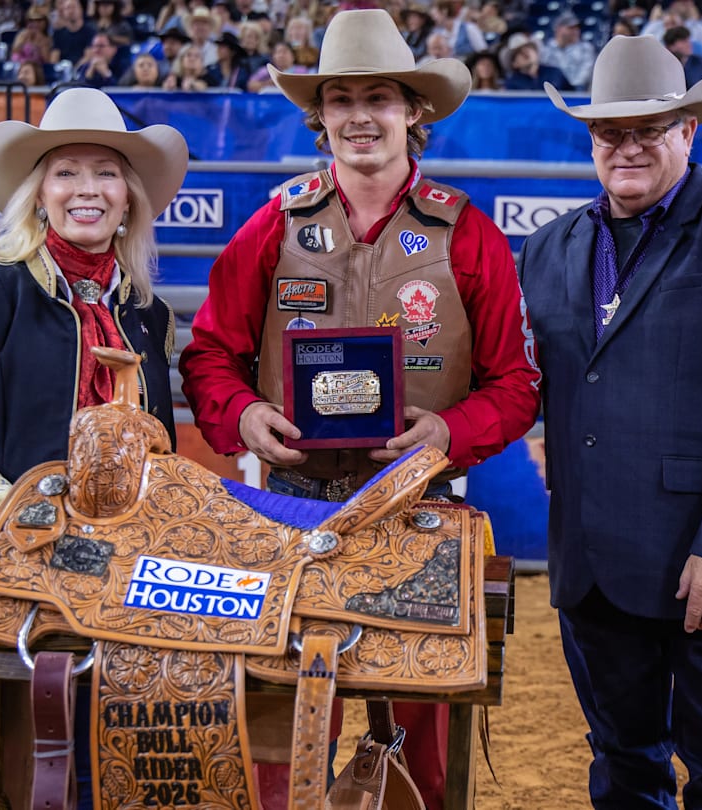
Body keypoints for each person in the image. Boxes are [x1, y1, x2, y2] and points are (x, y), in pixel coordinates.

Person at [179, 9, 541, 808]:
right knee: (275, 732)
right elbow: (208, 353)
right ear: (320, 117)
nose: (359, 116)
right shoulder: (273, 224)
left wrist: (448, 431)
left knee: (420, 738)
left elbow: (517, 384)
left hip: (415, 508)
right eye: (340, 99)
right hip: (285, 506)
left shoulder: (468, 234)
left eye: (378, 97)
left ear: (414, 112)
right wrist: (242, 418)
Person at [518, 34, 702, 809]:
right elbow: (535, 372)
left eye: (650, 130)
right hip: (591, 567)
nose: (629, 147)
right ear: (591, 141)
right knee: (622, 764)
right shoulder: (548, 247)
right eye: (611, 132)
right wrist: (537, 432)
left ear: (689, 131)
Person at [0, 86, 188, 810]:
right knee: (9, 779)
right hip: (12, 574)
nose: (86, 190)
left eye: (105, 173)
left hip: (129, 579)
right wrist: (29, 526)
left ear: (129, 198)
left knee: (109, 776)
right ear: (38, 194)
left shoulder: (148, 316)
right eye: (66, 172)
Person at [544, 10, 598, 90]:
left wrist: (570, 88)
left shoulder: (586, 48)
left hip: (578, 91)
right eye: (571, 28)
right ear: (559, 29)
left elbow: (585, 74)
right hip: (552, 90)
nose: (575, 31)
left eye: (577, 28)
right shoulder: (547, 48)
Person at [505, 32, 572, 90]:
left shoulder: (555, 73)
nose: (525, 52)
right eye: (519, 52)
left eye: (528, 47)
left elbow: (574, 97)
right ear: (514, 64)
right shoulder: (512, 84)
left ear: (536, 52)